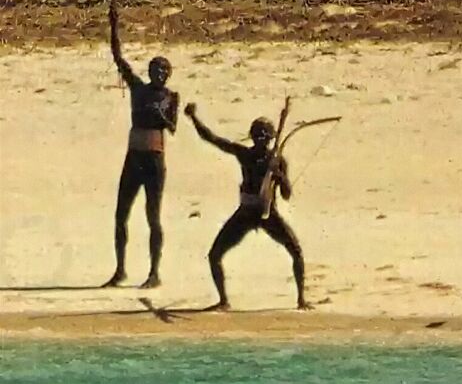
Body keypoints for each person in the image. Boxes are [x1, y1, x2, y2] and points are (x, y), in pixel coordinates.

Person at [184, 102, 312, 311]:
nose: (261, 140)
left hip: (268, 212)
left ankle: (301, 300)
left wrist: (279, 176)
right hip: (246, 213)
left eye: (265, 136)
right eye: (257, 135)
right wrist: (194, 119)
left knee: (296, 251)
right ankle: (223, 301)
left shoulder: (277, 161)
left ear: (271, 139)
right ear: (252, 137)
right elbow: (213, 139)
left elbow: (286, 195)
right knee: (215, 254)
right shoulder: (245, 155)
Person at [103, 51, 178, 289]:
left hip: (155, 159)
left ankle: (154, 273)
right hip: (134, 157)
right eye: (156, 70)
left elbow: (172, 127)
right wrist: (113, 25)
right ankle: (120, 270)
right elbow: (119, 59)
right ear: (149, 72)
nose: (160, 74)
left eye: (164, 71)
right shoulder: (138, 89)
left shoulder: (170, 97)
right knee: (120, 215)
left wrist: (161, 117)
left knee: (152, 216)